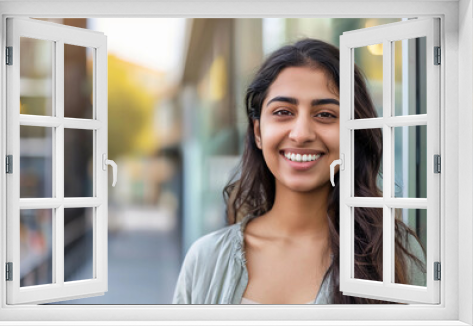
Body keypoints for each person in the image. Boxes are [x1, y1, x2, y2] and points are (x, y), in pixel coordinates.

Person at [172, 38, 426, 305]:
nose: (302, 134)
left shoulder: (394, 255)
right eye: (283, 112)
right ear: (258, 132)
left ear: (353, 133)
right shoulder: (205, 258)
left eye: (325, 114)